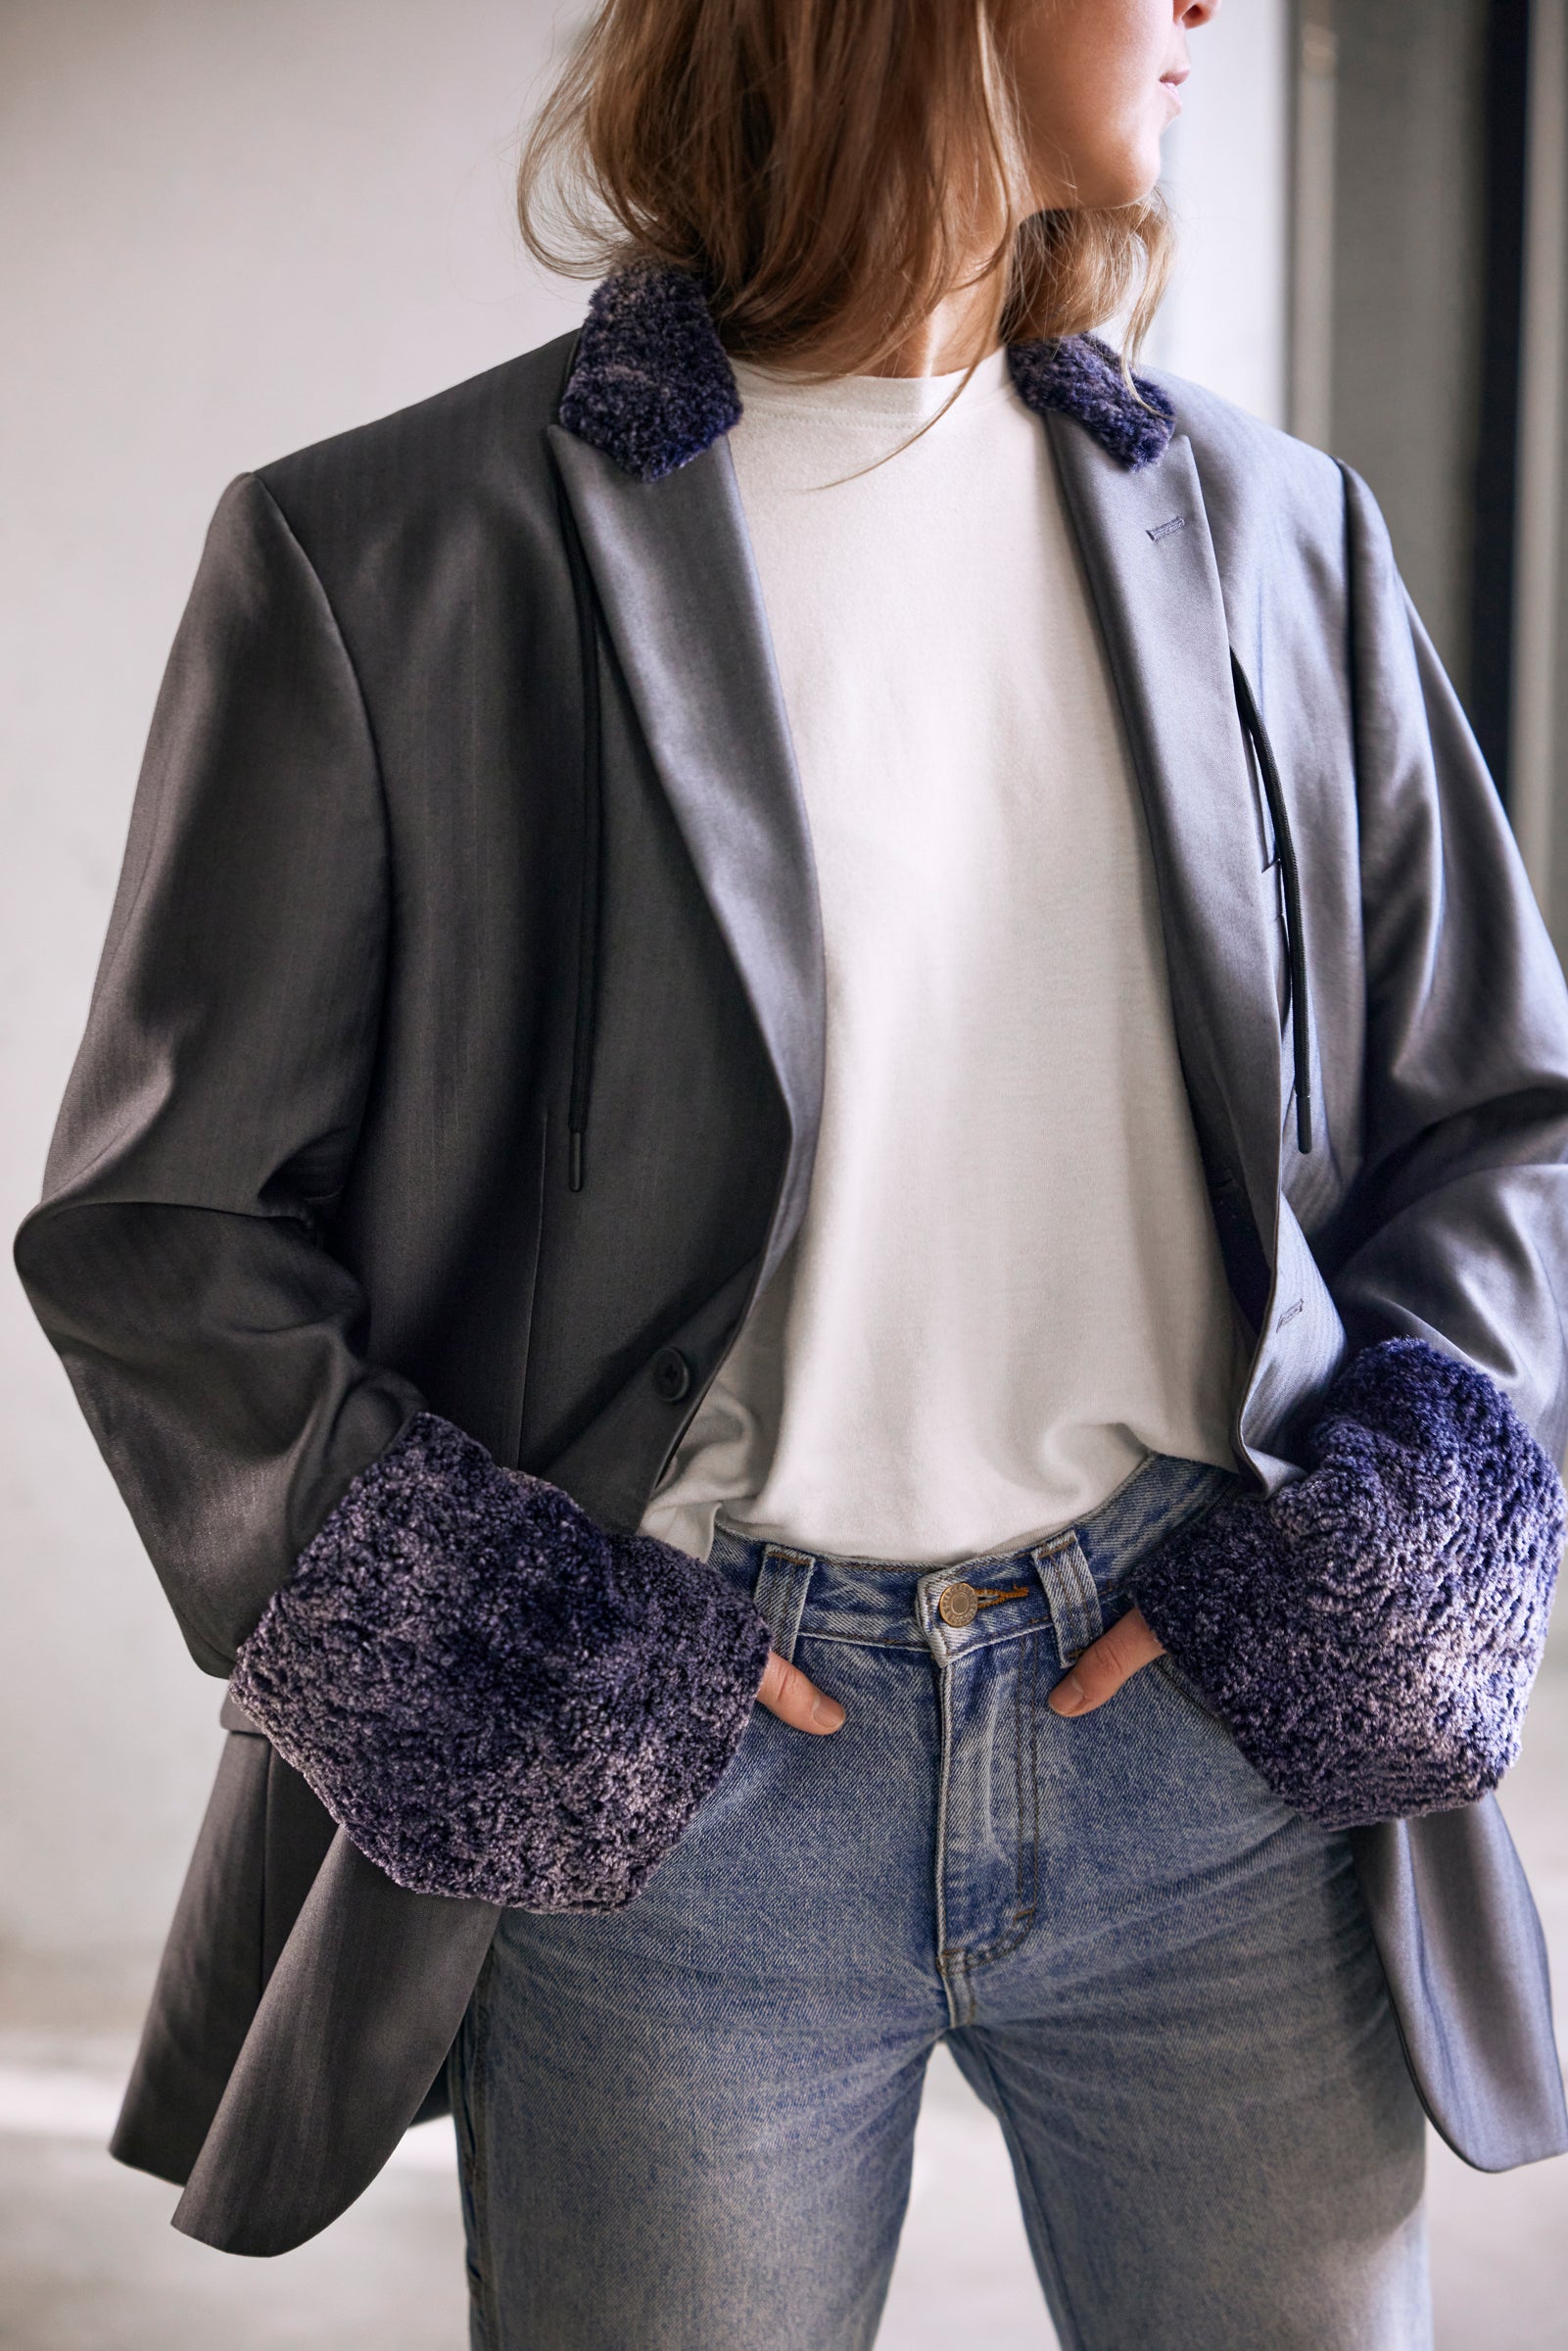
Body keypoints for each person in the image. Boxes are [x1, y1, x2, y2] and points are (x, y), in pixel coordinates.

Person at [16, 0, 1568, 2343]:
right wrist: (530, 1668)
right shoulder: (389, 553)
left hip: (1217, 1758)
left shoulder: (1278, 537)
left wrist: (1362, 1562)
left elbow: (1501, 1119)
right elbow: (166, 1230)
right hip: (683, 1801)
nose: (1206, 12)